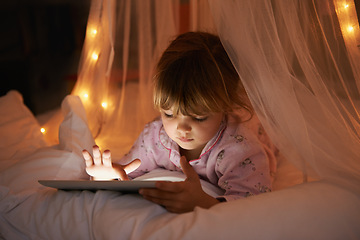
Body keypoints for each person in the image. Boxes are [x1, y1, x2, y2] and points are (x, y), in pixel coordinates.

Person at [82, 31, 277, 213]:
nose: (181, 128)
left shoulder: (240, 150)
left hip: (258, 136)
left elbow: (252, 205)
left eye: (199, 117)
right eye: (168, 114)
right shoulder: (155, 138)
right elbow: (130, 173)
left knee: (265, 129)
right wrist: (108, 177)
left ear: (224, 107)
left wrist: (205, 203)